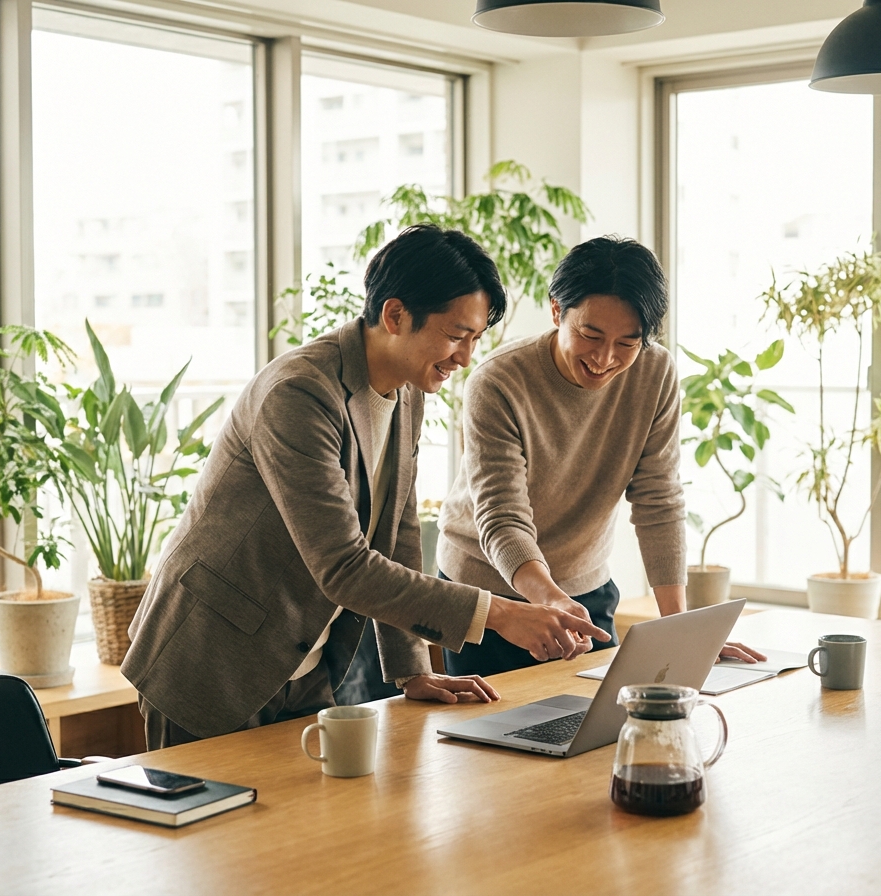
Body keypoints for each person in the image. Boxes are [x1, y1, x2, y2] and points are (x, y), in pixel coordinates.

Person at [123, 225, 609, 748]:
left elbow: (397, 533)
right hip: (211, 659)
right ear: (395, 314)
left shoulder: (409, 389)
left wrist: (412, 671)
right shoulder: (299, 394)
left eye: (474, 339)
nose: (465, 358)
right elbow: (344, 565)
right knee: (211, 829)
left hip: (303, 664)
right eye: (455, 335)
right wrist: (503, 614)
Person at [437, 235, 762, 678]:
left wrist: (683, 630)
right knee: (488, 738)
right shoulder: (497, 382)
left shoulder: (655, 373)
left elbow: (659, 501)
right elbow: (502, 518)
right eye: (590, 335)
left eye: (627, 343)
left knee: (594, 731)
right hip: (489, 591)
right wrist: (549, 599)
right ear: (556, 311)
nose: (605, 359)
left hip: (585, 590)